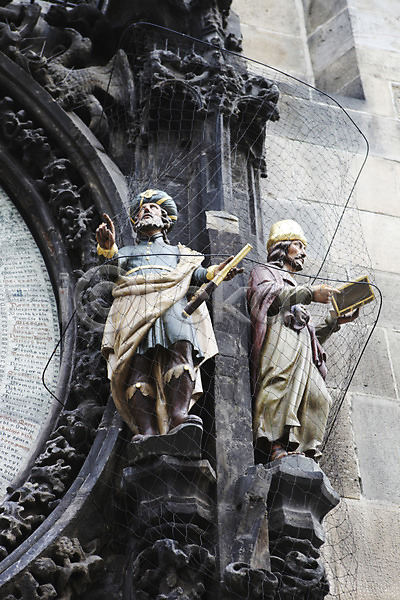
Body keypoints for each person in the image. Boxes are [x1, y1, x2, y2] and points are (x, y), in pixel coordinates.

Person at [96, 189, 242, 441]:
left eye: (153, 208)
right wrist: (108, 248)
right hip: (134, 303)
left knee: (181, 349)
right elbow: (110, 273)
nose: (146, 210)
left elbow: (195, 275)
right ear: (135, 221)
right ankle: (146, 430)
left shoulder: (179, 253)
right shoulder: (128, 252)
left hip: (172, 301)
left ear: (165, 220)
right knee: (137, 363)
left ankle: (178, 416)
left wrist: (215, 272)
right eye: (141, 210)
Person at [247, 219, 358, 462]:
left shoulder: (295, 287)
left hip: (302, 351)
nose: (304, 252)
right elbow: (267, 297)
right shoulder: (264, 271)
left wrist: (334, 321)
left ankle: (306, 452)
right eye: (298, 245)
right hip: (278, 339)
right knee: (279, 384)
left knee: (319, 397)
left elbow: (312, 339)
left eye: (304, 247)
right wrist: (310, 293)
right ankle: (274, 444)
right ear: (282, 247)